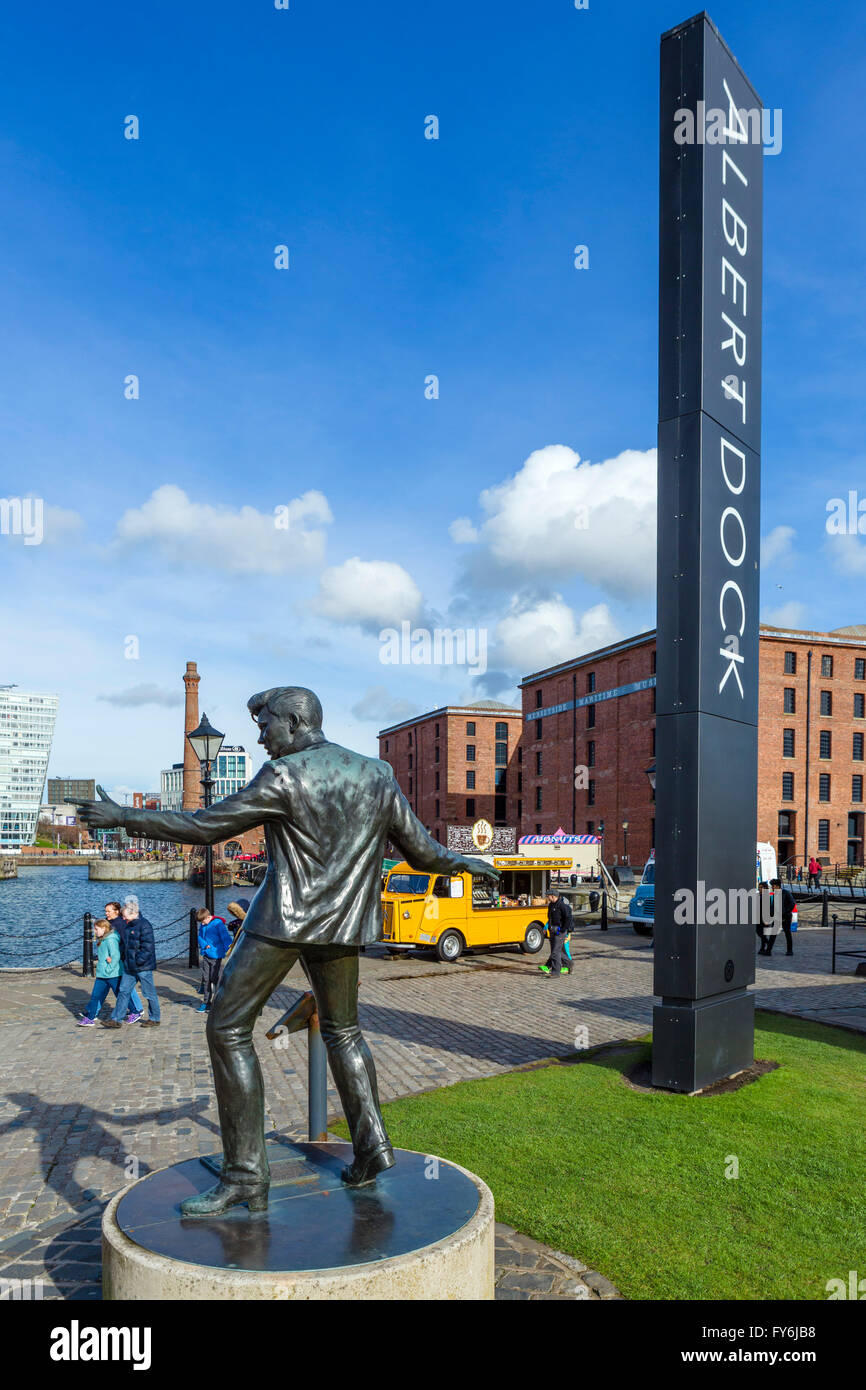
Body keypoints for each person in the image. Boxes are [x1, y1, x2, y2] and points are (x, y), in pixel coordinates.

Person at [75, 683, 499, 1216]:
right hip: (341, 928)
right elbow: (421, 848)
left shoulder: (284, 774)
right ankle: (372, 1148)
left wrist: (124, 817)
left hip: (282, 922)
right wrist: (464, 864)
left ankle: (247, 1177)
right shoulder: (377, 775)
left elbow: (206, 827)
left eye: (265, 727)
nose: (261, 739)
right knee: (345, 1032)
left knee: (227, 1027)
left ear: (295, 724)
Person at [101, 902, 160, 1028]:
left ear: (133, 913)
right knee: (123, 991)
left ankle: (155, 1018)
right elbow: (124, 944)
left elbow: (148, 948)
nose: (123, 918)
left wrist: (137, 961)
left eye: (124, 916)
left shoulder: (144, 925)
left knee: (149, 993)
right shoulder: (128, 925)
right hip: (129, 966)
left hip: (143, 967)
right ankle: (116, 1019)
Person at [78, 918, 142, 1025]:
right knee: (95, 996)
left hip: (113, 974)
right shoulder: (102, 939)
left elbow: (115, 956)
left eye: (96, 929)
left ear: (104, 929)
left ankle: (135, 1012)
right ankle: (90, 1017)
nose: (95, 931)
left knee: (120, 995)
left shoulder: (110, 940)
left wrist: (108, 968)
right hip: (102, 975)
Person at [103, 901, 143, 1018]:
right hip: (111, 958)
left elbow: (124, 942)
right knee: (123, 985)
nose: (106, 913)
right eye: (105, 911)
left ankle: (136, 1009)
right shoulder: (108, 923)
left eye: (109, 911)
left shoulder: (119, 924)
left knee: (124, 985)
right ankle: (136, 1008)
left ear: (116, 912)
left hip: (120, 959)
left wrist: (118, 956)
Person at [196, 907, 232, 1013]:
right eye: (200, 922)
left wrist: (230, 949)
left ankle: (217, 1002)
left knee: (213, 978)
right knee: (206, 978)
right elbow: (200, 937)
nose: (202, 924)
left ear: (208, 917)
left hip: (216, 955)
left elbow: (225, 938)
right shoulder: (203, 923)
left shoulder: (218, 924)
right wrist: (204, 945)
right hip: (206, 954)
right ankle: (206, 1002)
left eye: (203, 921)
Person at [540, 891, 574, 977]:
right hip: (552, 930)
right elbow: (550, 917)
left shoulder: (562, 906)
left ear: (553, 896)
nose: (547, 898)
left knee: (555, 952)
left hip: (560, 931)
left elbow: (568, 918)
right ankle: (569, 964)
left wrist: (563, 930)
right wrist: (547, 927)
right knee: (557, 951)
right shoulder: (551, 905)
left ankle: (555, 972)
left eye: (548, 896)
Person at [764, 878, 795, 957]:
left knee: (787, 933)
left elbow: (792, 903)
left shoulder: (786, 893)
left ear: (777, 886)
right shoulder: (775, 894)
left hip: (786, 916)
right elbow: (773, 906)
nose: (772, 888)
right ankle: (768, 950)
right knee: (773, 934)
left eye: (773, 886)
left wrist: (785, 912)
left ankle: (790, 950)